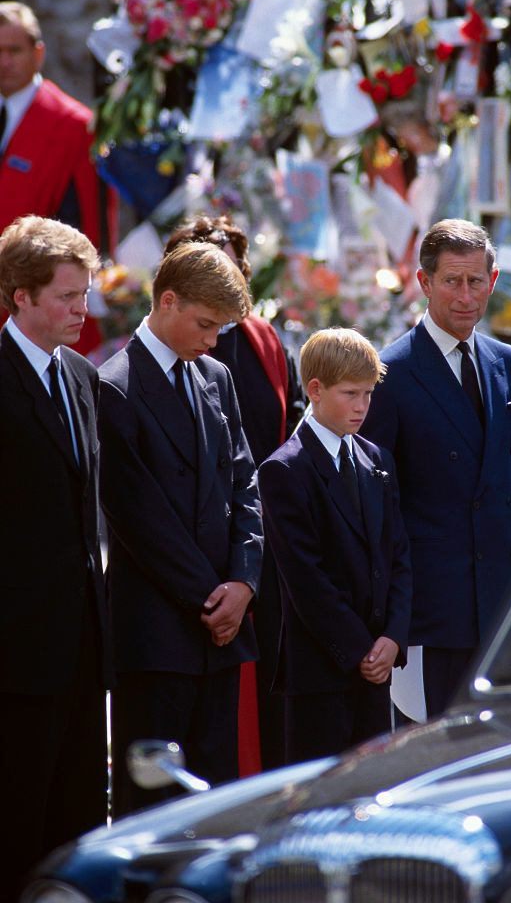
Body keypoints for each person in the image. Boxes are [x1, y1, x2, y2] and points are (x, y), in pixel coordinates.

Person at [98, 241, 263, 816]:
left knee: (216, 800)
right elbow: (140, 520)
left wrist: (243, 583)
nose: (213, 340)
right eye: (204, 324)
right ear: (167, 301)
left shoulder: (215, 375)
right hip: (158, 635)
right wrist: (212, 600)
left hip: (221, 630)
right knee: (154, 806)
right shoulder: (114, 386)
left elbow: (245, 484)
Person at [361, 218, 511, 719]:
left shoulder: (508, 362)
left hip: (505, 605)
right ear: (424, 283)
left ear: (493, 280)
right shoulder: (390, 372)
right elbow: (379, 510)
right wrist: (390, 617)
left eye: (476, 281)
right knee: (436, 756)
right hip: (432, 612)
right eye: (451, 282)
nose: (465, 296)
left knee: (504, 758)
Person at [164, 214, 305, 770]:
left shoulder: (267, 341)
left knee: (269, 694)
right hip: (197, 557)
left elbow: (285, 434)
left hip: (264, 545)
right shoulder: (170, 352)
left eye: (233, 266)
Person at [0, 215, 111, 900]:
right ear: (20, 297)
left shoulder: (79, 376)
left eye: (86, 293)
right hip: (15, 655)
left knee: (74, 829)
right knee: (15, 827)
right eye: (67, 297)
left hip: (80, 650)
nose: (82, 310)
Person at [258, 327, 412, 764]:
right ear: (315, 390)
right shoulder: (284, 469)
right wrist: (361, 648)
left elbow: (399, 555)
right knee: (319, 801)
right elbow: (307, 579)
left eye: (368, 394)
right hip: (320, 672)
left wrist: (393, 638)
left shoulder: (377, 459)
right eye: (350, 394)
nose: (362, 406)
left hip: (376, 666)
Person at [0, 0, 116, 354]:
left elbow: (90, 223)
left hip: (35, 305)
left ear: (39, 53)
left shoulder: (75, 125)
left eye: (14, 50)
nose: (4, 62)